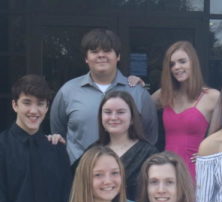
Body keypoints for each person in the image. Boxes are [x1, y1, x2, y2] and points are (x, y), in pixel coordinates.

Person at [50, 28, 157, 164]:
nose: (101, 55)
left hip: (128, 177)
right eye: (94, 51)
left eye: (107, 51)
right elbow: (59, 133)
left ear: (118, 56)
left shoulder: (137, 93)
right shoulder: (68, 91)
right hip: (79, 175)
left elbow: (149, 136)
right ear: (86, 58)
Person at [146, 41, 219, 180]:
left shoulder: (212, 96)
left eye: (182, 61)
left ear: (193, 63)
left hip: (196, 170)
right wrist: (135, 85)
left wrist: (212, 153)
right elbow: (134, 110)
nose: (177, 67)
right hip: (167, 170)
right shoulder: (164, 95)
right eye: (172, 64)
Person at [75, 90, 157, 201]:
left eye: (120, 112)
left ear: (132, 118)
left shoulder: (149, 154)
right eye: (108, 112)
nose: (113, 117)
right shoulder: (91, 152)